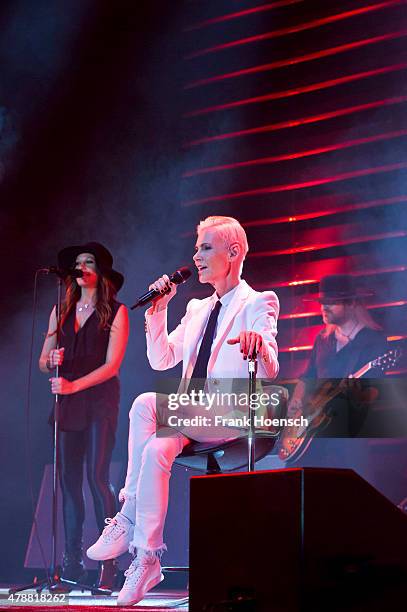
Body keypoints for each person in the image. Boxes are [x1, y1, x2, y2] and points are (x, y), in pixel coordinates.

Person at [87, 216, 280, 605]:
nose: (197, 256)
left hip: (230, 412)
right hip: (190, 415)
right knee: (157, 450)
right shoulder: (195, 307)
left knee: (145, 404)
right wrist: (157, 311)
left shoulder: (259, 301)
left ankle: (127, 514)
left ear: (234, 252)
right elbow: (161, 359)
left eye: (205, 248)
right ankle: (146, 557)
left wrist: (258, 343)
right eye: (196, 248)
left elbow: (272, 365)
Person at [39, 242, 129, 590]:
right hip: (68, 403)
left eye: (89, 262)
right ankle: (71, 565)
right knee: (68, 483)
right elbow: (43, 359)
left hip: (99, 402)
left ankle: (109, 564)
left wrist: (74, 386)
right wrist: (52, 361)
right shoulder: (59, 311)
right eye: (78, 263)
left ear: (101, 271)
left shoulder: (116, 312)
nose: (82, 267)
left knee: (96, 476)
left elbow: (112, 366)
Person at [287, 273, 388, 441]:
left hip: (352, 434)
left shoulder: (373, 340)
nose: (324, 308)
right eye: (322, 303)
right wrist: (297, 399)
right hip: (317, 432)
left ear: (351, 303)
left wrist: (359, 396)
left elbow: (376, 390)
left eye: (331, 302)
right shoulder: (323, 339)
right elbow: (308, 377)